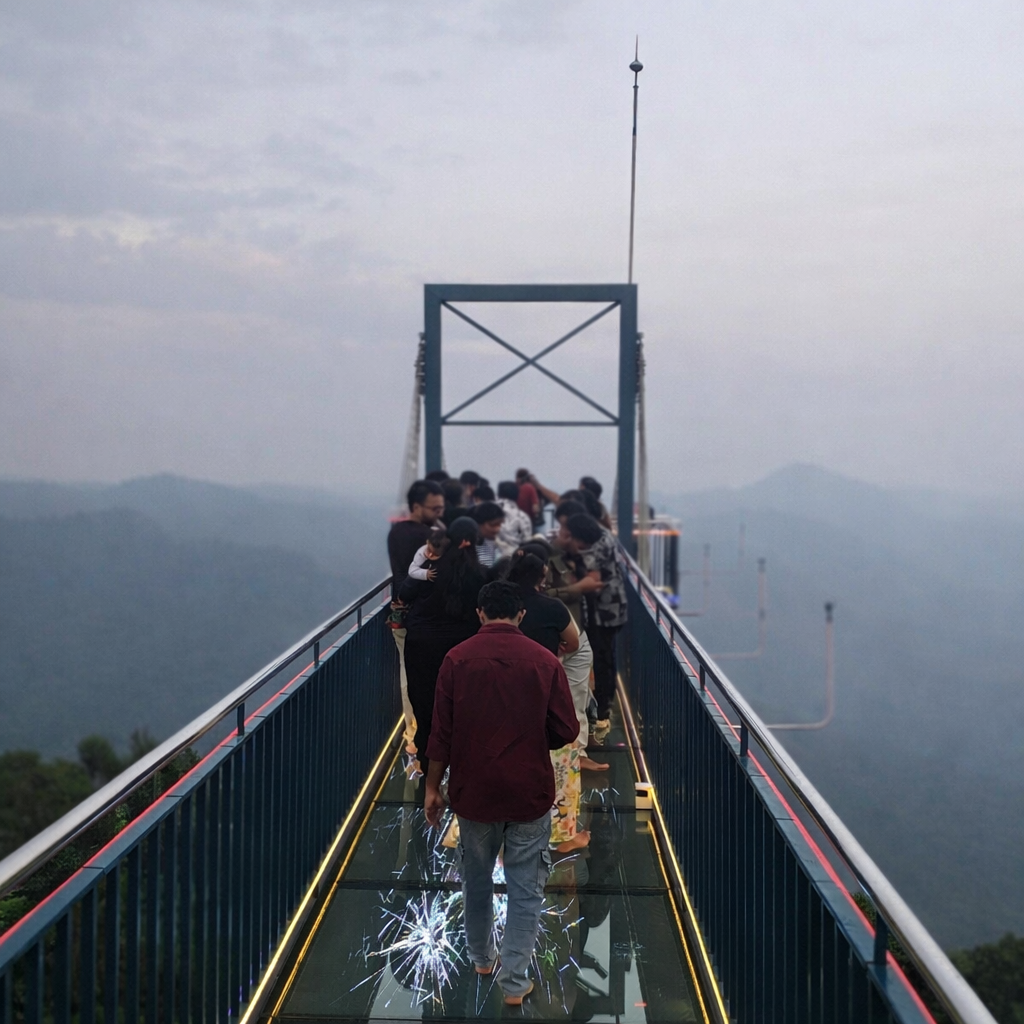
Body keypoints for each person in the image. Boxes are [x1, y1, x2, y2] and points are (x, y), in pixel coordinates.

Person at [424, 580, 579, 1005]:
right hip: (529, 792)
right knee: (525, 886)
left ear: (479, 613)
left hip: (473, 792)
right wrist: (532, 737)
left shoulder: (455, 660)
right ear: (521, 615)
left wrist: (432, 788)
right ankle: (514, 982)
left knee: (475, 878)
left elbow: (440, 735)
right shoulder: (544, 661)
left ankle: (480, 958)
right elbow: (567, 729)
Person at [508, 551, 589, 853]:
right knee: (560, 759)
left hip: (503, 692)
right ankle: (562, 835)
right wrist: (554, 654)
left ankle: (505, 837)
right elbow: (574, 642)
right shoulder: (551, 607)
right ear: (541, 578)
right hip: (544, 689)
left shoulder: (504, 605)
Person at [400, 517, 486, 768]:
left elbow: (405, 593)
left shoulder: (431, 566)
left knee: (425, 703)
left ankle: (429, 768)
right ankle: (464, 764)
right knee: (461, 705)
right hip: (463, 647)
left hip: (422, 644)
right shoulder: (479, 574)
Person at [387, 479, 445, 755]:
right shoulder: (427, 538)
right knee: (425, 678)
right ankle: (424, 733)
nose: (439, 513)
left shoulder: (396, 532)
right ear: (417, 506)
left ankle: (414, 732)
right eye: (434, 508)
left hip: (400, 611)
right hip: (422, 613)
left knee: (406, 672)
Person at [558, 513, 628, 729]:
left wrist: (566, 588)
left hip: (604, 611)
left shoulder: (593, 551)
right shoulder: (604, 536)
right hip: (613, 606)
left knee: (602, 656)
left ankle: (603, 708)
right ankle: (604, 704)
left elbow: (590, 580)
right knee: (605, 655)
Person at [497, 481, 533, 551]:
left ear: (498, 494)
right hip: (516, 555)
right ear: (517, 495)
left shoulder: (489, 511)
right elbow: (527, 540)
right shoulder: (523, 516)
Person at [470, 501, 505, 567]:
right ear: (479, 523)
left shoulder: (497, 543)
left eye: (499, 524)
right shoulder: (472, 548)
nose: (497, 529)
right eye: (493, 525)